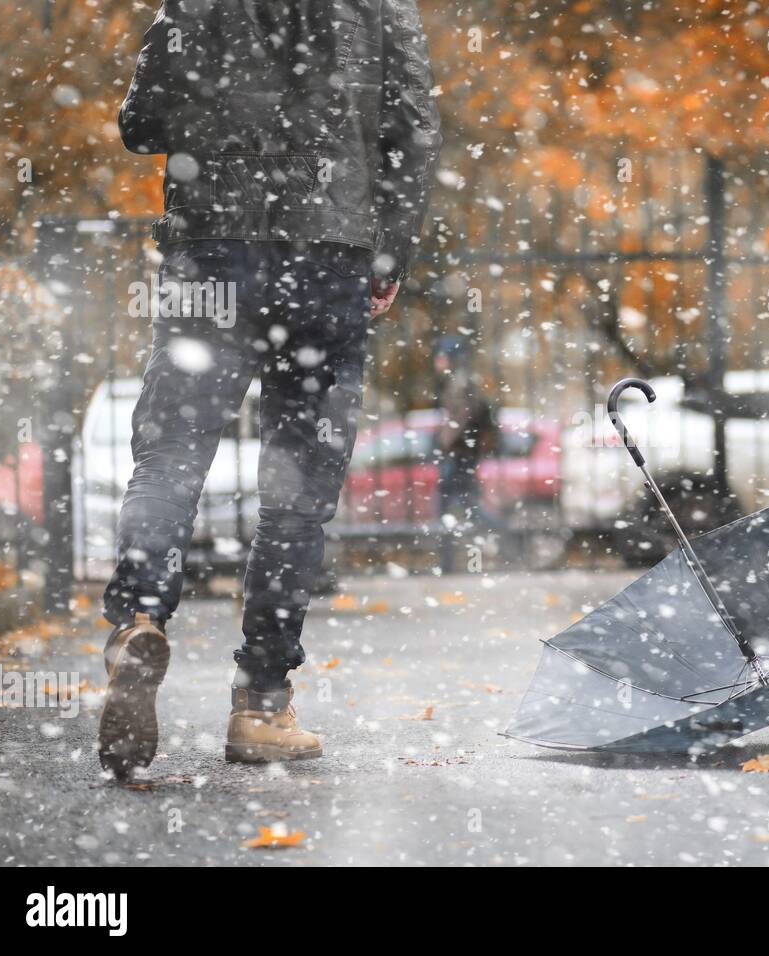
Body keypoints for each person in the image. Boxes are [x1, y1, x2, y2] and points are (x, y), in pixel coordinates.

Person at [99, 0, 441, 779]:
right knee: (296, 492)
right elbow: (414, 135)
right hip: (328, 257)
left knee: (171, 458)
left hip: (211, 254)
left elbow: (140, 122)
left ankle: (140, 620)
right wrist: (387, 254)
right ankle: (261, 702)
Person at [433, 335, 497, 567]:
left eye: (441, 356)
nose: (437, 362)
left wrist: (444, 442)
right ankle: (448, 559)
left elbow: (459, 420)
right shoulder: (459, 382)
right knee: (466, 506)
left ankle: (448, 561)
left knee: (453, 507)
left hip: (459, 456)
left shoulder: (458, 383)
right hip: (463, 455)